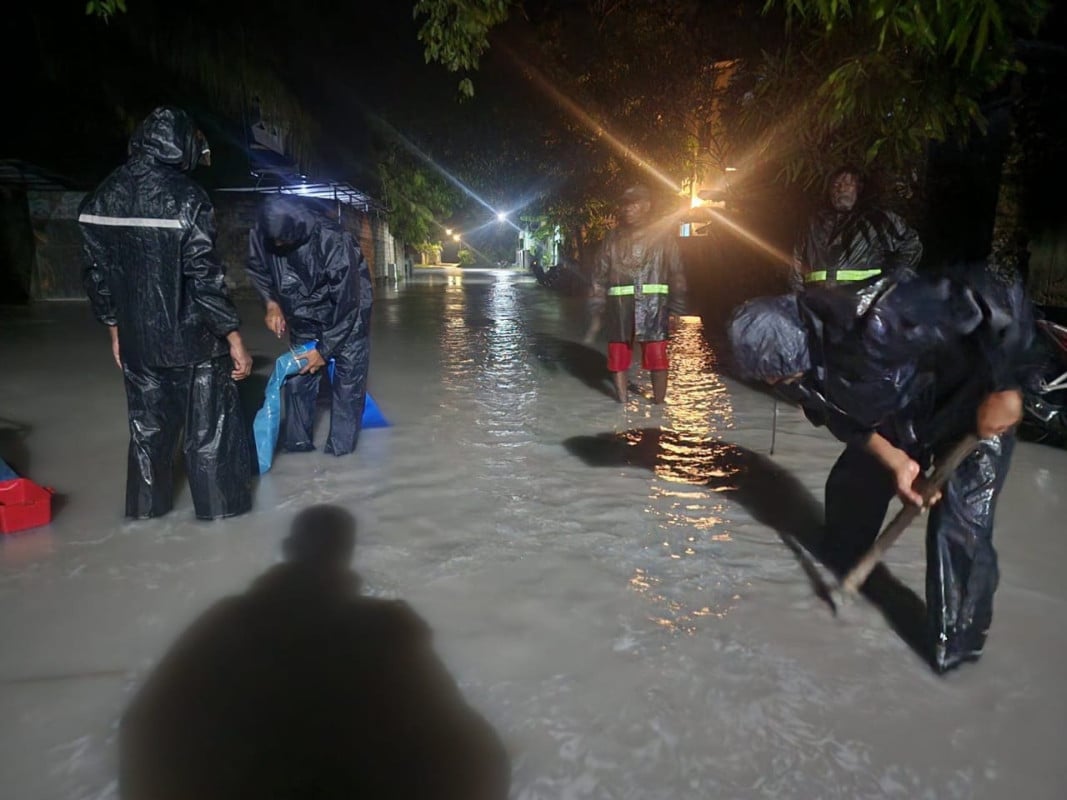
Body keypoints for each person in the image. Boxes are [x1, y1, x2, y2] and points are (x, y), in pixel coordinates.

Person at [728, 264, 1036, 673]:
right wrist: (896, 461)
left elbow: (993, 293)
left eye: (785, 372)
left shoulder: (878, 316)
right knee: (851, 490)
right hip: (897, 418)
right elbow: (840, 419)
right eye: (770, 377)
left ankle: (957, 654)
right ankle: (842, 564)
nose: (779, 381)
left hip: (973, 407)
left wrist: (1007, 386)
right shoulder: (784, 373)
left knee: (960, 530)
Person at [119, 505, 510, 800]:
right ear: (347, 555)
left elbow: (146, 720)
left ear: (289, 548)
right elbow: (475, 753)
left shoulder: (229, 617)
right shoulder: (387, 628)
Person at [79, 105, 253, 521]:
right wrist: (234, 338)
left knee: (146, 436)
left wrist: (115, 330)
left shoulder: (100, 198)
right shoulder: (188, 198)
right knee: (207, 437)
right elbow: (205, 278)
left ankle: (143, 520)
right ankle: (221, 527)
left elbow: (96, 275)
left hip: (139, 344)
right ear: (180, 145)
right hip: (194, 344)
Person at [246, 194, 373, 456]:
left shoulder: (333, 239)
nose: (278, 245)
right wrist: (271, 303)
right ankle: (297, 450)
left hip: (347, 315)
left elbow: (348, 302)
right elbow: (257, 268)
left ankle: (341, 457)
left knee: (348, 387)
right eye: (274, 241)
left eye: (284, 241)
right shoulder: (263, 232)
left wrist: (325, 351)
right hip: (301, 313)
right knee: (297, 381)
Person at [584, 184, 688, 404]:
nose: (628, 209)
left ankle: (658, 408)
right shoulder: (611, 239)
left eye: (634, 204)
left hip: (654, 308)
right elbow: (598, 276)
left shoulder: (664, 237)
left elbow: (677, 274)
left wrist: (677, 309)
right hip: (620, 309)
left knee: (658, 359)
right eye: (625, 205)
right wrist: (596, 309)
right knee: (618, 359)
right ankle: (622, 406)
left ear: (647, 206)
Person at [791, 165, 923, 291]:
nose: (841, 188)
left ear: (860, 188)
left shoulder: (879, 219)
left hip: (862, 305)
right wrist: (798, 300)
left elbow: (910, 245)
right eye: (836, 184)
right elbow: (797, 263)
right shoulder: (814, 223)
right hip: (818, 302)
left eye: (848, 184)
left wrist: (891, 282)